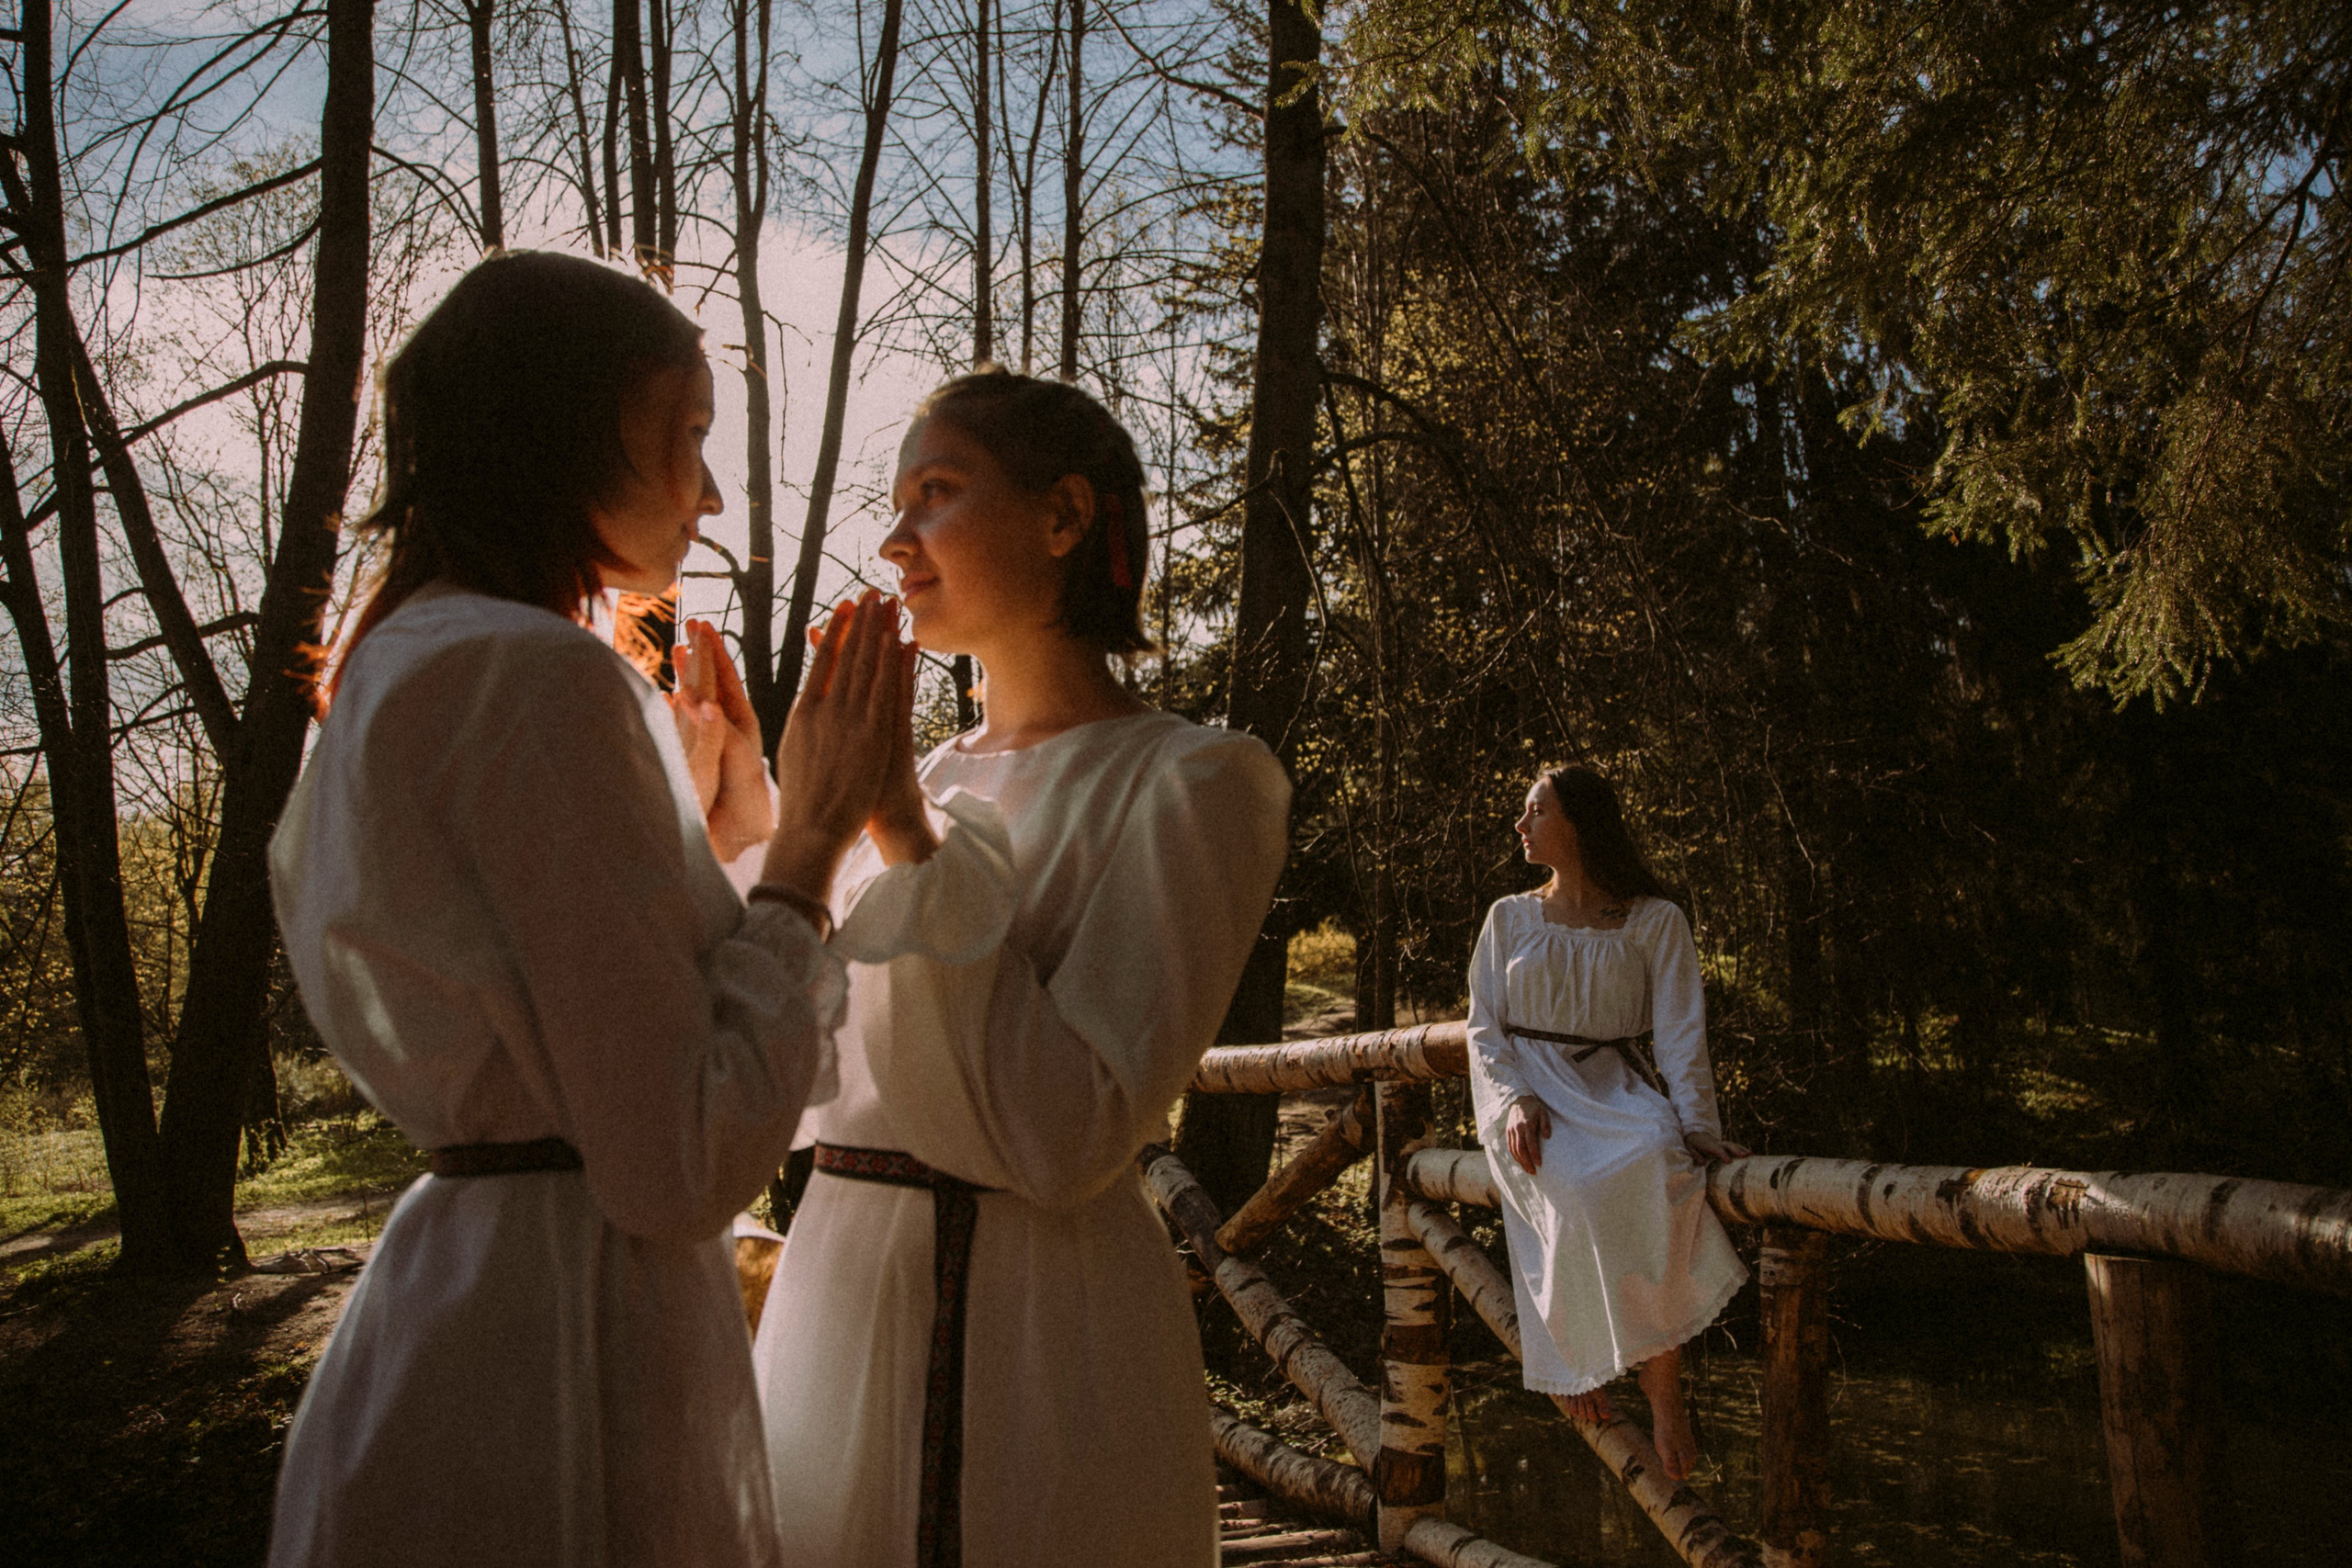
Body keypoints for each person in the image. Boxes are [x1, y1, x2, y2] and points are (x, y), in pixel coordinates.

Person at [266, 251, 911, 1568]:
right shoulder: (536, 676)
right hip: (560, 1366)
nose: (714, 490)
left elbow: (589, 1041)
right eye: (684, 433)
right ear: (567, 425)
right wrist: (810, 840)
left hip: (460, 1309)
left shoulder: (400, 664)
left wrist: (728, 837)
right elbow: (678, 1155)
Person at [750, 368, 1291, 1568]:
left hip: (1035, 1335)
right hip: (833, 1299)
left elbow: (1071, 1127)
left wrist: (898, 826)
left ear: (1062, 518)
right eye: (893, 503)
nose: (894, 538)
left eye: (936, 493)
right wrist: (759, 807)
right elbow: (794, 1087)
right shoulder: (919, 773)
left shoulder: (1196, 781)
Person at [1464, 766, 1749, 1481]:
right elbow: (1482, 1029)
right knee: (1569, 1185)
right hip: (1531, 1094)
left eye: (1535, 811)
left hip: (1612, 1085)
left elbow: (1682, 1035)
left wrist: (1696, 1125)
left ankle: (1663, 1390)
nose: (1520, 825)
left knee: (1660, 1162)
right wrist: (1511, 1100)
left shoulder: (1655, 920)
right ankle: (1575, 1356)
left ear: (1580, 822)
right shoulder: (1508, 918)